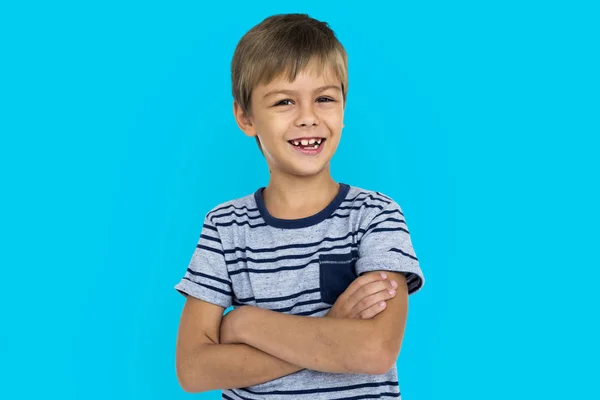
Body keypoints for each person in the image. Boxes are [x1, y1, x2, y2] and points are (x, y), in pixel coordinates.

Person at [174, 13, 425, 400]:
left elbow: (373, 350)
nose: (308, 117)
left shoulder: (376, 217)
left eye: (324, 99)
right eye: (284, 101)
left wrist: (246, 323)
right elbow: (193, 370)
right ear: (245, 117)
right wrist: (332, 329)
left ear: (343, 109)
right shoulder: (225, 227)